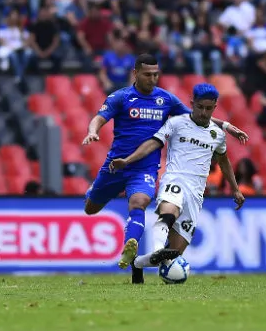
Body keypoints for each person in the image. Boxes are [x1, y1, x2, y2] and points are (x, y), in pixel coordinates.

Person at [81, 55, 249, 284]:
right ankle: (96, 194)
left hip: (155, 173)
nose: (153, 79)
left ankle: (132, 256)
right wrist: (93, 132)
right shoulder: (122, 97)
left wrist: (228, 127)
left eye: (156, 74)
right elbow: (100, 118)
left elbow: (202, 119)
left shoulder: (167, 100)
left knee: (140, 204)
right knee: (91, 208)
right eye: (148, 74)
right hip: (120, 164)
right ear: (136, 73)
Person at [109, 83, 245, 278]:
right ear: (192, 103)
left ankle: (138, 264)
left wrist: (235, 189)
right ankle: (157, 248)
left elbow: (224, 162)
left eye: (209, 108)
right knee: (168, 212)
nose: (204, 112)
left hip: (196, 193)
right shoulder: (177, 123)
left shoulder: (218, 135)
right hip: (175, 179)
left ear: (215, 107)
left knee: (174, 254)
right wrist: (128, 160)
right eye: (200, 107)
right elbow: (153, 144)